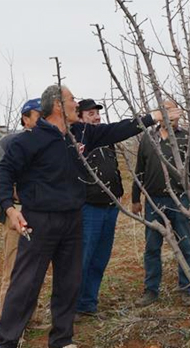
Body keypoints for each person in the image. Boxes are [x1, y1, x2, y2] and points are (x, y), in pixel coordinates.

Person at [0, 85, 175, 348]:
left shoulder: (78, 134)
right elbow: (3, 173)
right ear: (57, 105)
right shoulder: (28, 140)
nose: (76, 104)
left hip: (73, 219)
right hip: (39, 221)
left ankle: (61, 342)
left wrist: (153, 116)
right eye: (71, 100)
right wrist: (10, 208)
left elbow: (118, 129)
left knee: (68, 282)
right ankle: (6, 344)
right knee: (26, 282)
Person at [0, 98, 42, 318]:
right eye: (39, 115)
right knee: (14, 268)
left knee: (34, 269)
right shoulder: (14, 141)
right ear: (26, 119)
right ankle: (8, 320)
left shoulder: (45, 143)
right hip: (18, 213)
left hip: (40, 212)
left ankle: (28, 316)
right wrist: (8, 190)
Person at [131, 100, 190, 308]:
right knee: (152, 247)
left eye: (173, 110)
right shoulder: (148, 138)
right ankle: (151, 290)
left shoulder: (187, 139)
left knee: (186, 245)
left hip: (180, 200)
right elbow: (139, 169)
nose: (170, 114)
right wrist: (135, 198)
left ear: (179, 114)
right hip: (153, 200)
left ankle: (187, 288)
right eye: (165, 110)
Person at [75, 99, 124, 319]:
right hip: (89, 208)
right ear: (80, 118)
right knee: (83, 258)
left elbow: (113, 168)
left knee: (100, 258)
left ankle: (88, 303)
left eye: (97, 113)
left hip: (110, 207)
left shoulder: (107, 140)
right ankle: (73, 305)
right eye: (91, 113)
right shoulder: (78, 140)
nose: (96, 117)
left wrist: (120, 190)